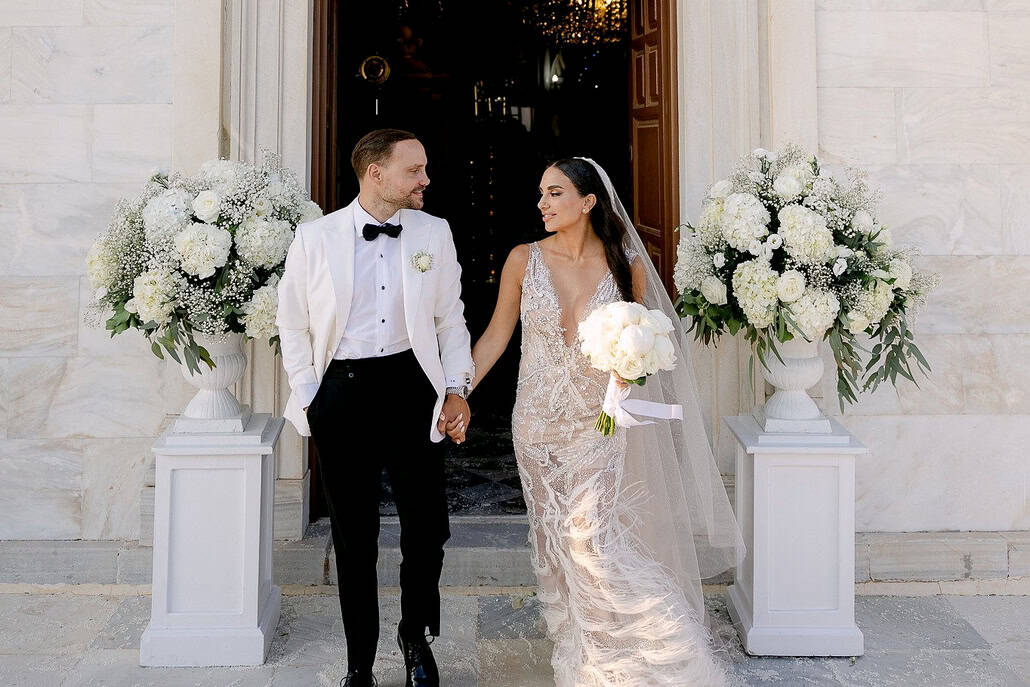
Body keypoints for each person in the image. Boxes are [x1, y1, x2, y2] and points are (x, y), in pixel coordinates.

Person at [449, 157, 744, 686]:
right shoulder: (523, 259)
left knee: (591, 538)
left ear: (588, 202)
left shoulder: (625, 263)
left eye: (554, 192)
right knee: (556, 540)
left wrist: (628, 373)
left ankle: (654, 650)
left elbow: (651, 343)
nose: (542, 203)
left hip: (600, 422)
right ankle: (586, 657)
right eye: (540, 192)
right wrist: (459, 392)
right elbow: (496, 335)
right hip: (535, 421)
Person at [276, 128, 474, 687]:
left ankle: (416, 638)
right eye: (415, 170)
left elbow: (450, 321)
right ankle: (358, 661)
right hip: (342, 390)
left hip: (413, 385)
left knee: (428, 525)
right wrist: (310, 394)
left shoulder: (434, 232)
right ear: (376, 173)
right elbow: (290, 320)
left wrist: (456, 386)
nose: (425, 180)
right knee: (353, 534)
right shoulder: (315, 237)